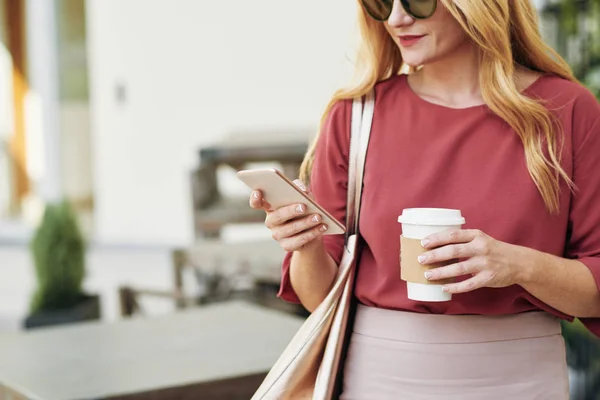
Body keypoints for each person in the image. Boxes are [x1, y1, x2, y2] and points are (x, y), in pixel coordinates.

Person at [249, 0, 600, 398]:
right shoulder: (356, 115)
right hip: (378, 382)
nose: (397, 19)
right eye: (381, 4)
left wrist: (517, 264)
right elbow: (319, 300)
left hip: (523, 382)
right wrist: (306, 245)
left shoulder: (566, 110)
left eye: (416, 1)